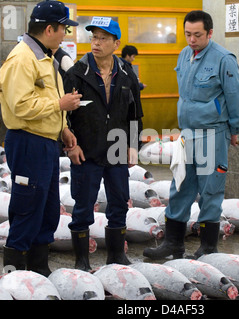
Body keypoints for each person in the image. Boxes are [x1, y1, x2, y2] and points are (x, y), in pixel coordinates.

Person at [143, 10, 239, 260]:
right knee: (180, 185)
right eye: (188, 34)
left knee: (210, 190)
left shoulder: (224, 59)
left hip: (213, 133)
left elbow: (237, 97)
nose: (192, 39)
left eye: (197, 35)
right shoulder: (184, 55)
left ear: (209, 33)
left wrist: (235, 130)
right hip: (187, 135)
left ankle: (208, 248)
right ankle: (173, 244)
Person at [0, 0, 81, 276]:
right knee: (27, 205)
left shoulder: (46, 57)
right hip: (27, 141)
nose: (65, 34)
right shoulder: (23, 59)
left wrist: (63, 128)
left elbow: (44, 99)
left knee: (46, 207)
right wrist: (60, 106)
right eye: (63, 29)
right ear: (49, 29)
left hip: (45, 142)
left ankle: (39, 266)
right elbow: (20, 105)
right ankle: (15, 267)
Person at [63, 17, 143, 270]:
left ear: (116, 43)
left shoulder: (128, 74)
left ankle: (116, 256)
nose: (96, 43)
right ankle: (82, 261)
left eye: (103, 38)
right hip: (86, 151)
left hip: (118, 149)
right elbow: (62, 116)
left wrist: (132, 144)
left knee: (119, 203)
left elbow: (135, 114)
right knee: (83, 207)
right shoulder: (76, 73)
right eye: (94, 37)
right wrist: (70, 145)